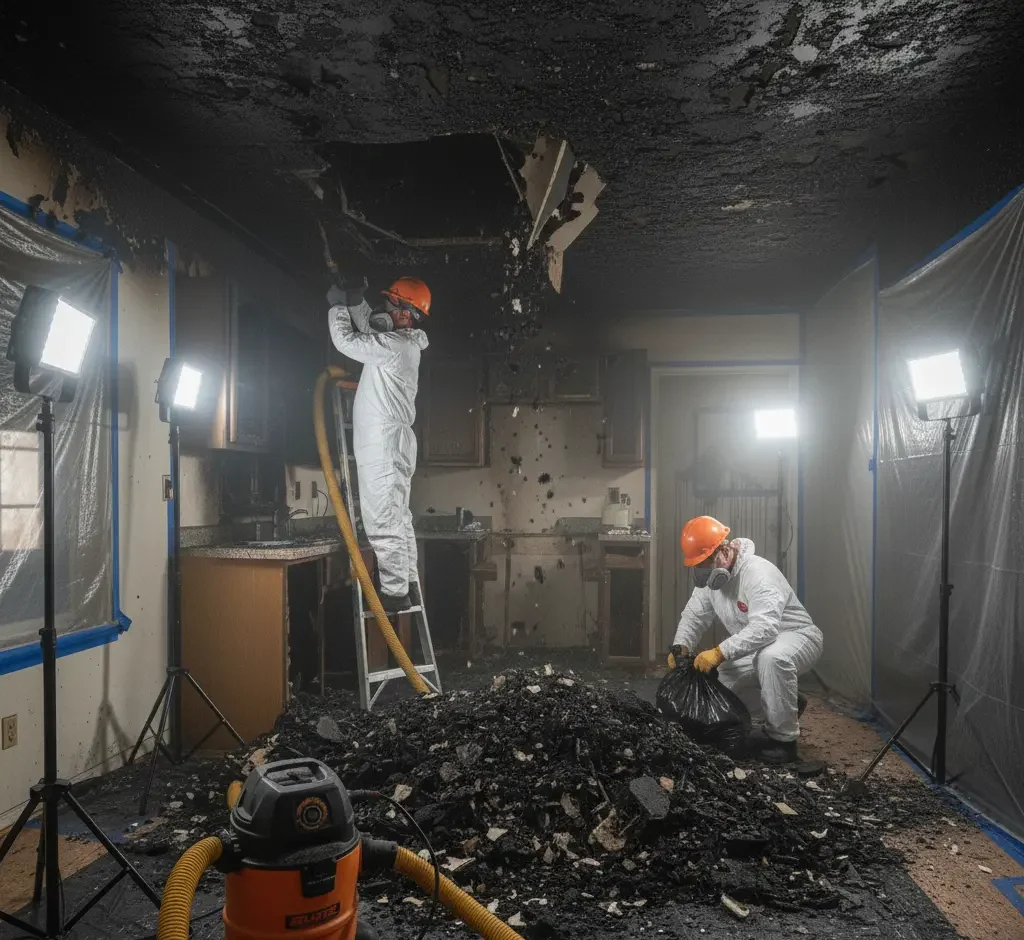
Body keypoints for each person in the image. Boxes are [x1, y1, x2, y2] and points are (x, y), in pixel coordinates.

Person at [668, 515, 823, 761]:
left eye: (707, 561)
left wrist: (719, 653)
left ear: (725, 550)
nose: (705, 569)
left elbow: (765, 628)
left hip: (796, 637)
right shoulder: (711, 582)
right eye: (699, 564)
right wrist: (681, 646)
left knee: (771, 660)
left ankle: (784, 741)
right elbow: (694, 616)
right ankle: (789, 701)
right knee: (719, 682)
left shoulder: (758, 574)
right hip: (758, 645)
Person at [327, 276, 431, 612]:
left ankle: (395, 594)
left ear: (405, 314)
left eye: (390, 304)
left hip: (384, 443)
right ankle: (408, 584)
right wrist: (356, 300)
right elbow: (373, 333)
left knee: (383, 519)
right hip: (390, 441)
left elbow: (348, 342)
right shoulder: (400, 343)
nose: (384, 310)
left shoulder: (395, 347)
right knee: (399, 518)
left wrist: (337, 306)